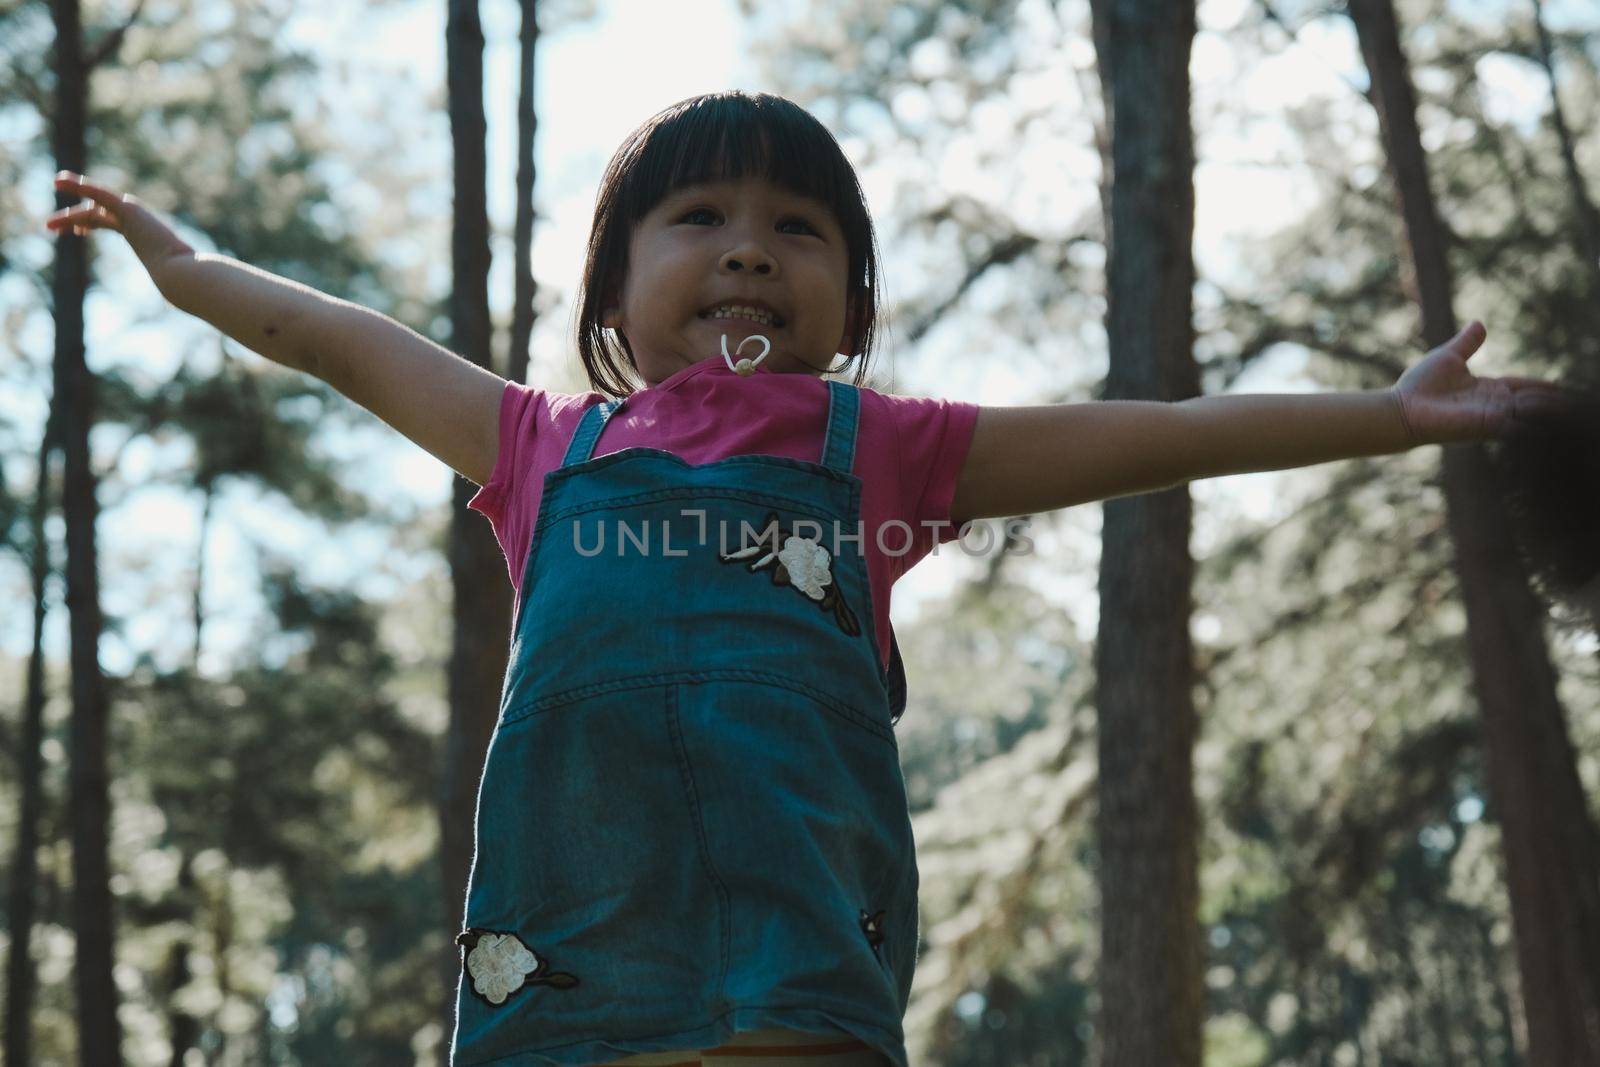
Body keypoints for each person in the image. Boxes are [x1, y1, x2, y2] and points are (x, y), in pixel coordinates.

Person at [46, 90, 1578, 1067]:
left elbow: (1159, 434)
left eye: (798, 229)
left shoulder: (888, 452)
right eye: (698, 218)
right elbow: (337, 339)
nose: (747, 251)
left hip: (793, 968)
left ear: (850, 300)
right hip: (560, 963)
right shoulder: (534, 447)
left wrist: (1387, 414)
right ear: (612, 288)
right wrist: (183, 268)